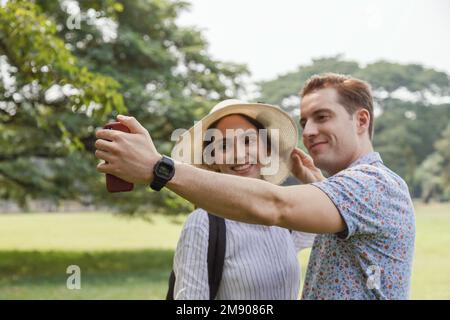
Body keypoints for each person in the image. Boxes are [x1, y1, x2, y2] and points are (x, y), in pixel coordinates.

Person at [94, 73, 415, 299]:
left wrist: (158, 169)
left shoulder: (371, 188)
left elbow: (274, 205)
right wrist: (317, 184)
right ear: (211, 157)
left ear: (361, 121)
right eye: (305, 122)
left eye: (323, 116)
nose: (310, 131)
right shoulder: (205, 224)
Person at [169, 99, 315, 300]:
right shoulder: (203, 223)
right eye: (224, 145)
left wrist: (314, 179)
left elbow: (340, 232)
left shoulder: (284, 213)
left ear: (267, 151)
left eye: (248, 141)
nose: (238, 155)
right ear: (212, 162)